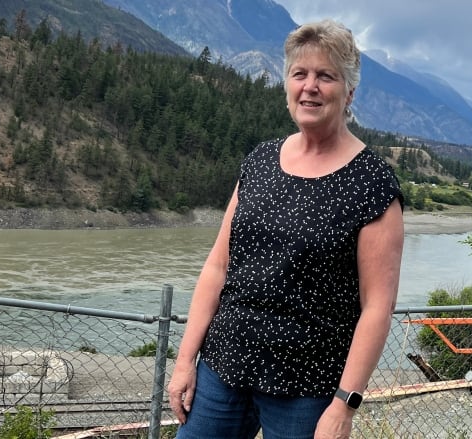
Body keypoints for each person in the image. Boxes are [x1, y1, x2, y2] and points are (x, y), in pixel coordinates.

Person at [167, 19, 404, 439]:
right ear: (288, 85)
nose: (310, 86)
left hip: (307, 389)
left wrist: (344, 405)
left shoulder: (372, 184)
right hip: (223, 367)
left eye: (325, 76)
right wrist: (186, 361)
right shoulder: (260, 161)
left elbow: (376, 308)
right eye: (300, 74)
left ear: (349, 92)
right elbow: (217, 269)